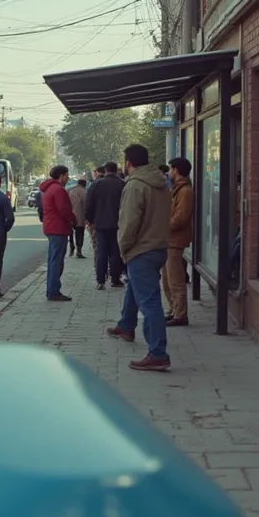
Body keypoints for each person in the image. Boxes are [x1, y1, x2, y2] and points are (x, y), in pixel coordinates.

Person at [107, 144, 171, 372]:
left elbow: (129, 222)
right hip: (157, 247)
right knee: (134, 287)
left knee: (150, 301)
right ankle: (126, 325)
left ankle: (158, 353)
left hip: (140, 249)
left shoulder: (135, 185)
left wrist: (123, 248)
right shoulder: (162, 183)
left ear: (128, 163)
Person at [162, 157, 193, 326]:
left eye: (171, 169)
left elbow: (181, 217)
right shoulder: (177, 188)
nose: (169, 172)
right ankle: (174, 309)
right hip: (169, 239)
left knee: (175, 279)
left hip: (175, 239)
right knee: (167, 278)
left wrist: (165, 227)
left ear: (177, 170)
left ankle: (180, 314)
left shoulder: (185, 190)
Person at [85, 161, 124, 288]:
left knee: (101, 252)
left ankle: (100, 280)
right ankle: (115, 278)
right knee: (115, 252)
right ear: (116, 170)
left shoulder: (96, 184)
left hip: (100, 223)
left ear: (105, 170)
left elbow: (88, 204)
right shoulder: (122, 184)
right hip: (118, 223)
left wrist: (90, 220)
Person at [40, 166, 76, 302]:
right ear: (61, 176)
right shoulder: (58, 190)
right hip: (58, 227)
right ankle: (54, 290)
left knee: (53, 260)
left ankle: (52, 289)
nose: (68, 178)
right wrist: (74, 219)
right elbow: (64, 209)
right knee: (56, 261)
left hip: (51, 226)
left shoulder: (49, 189)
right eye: (67, 175)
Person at [86, 165, 106, 263]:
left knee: (97, 245)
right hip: (114, 222)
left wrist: (89, 220)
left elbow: (88, 203)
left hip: (96, 221)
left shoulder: (93, 184)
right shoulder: (119, 183)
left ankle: (99, 269)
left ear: (97, 173)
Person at [68, 178, 87, 258]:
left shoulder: (70, 191)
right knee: (80, 234)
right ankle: (79, 251)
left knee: (71, 233)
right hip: (81, 217)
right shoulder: (85, 192)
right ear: (84, 184)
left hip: (71, 216)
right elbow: (87, 205)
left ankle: (71, 246)